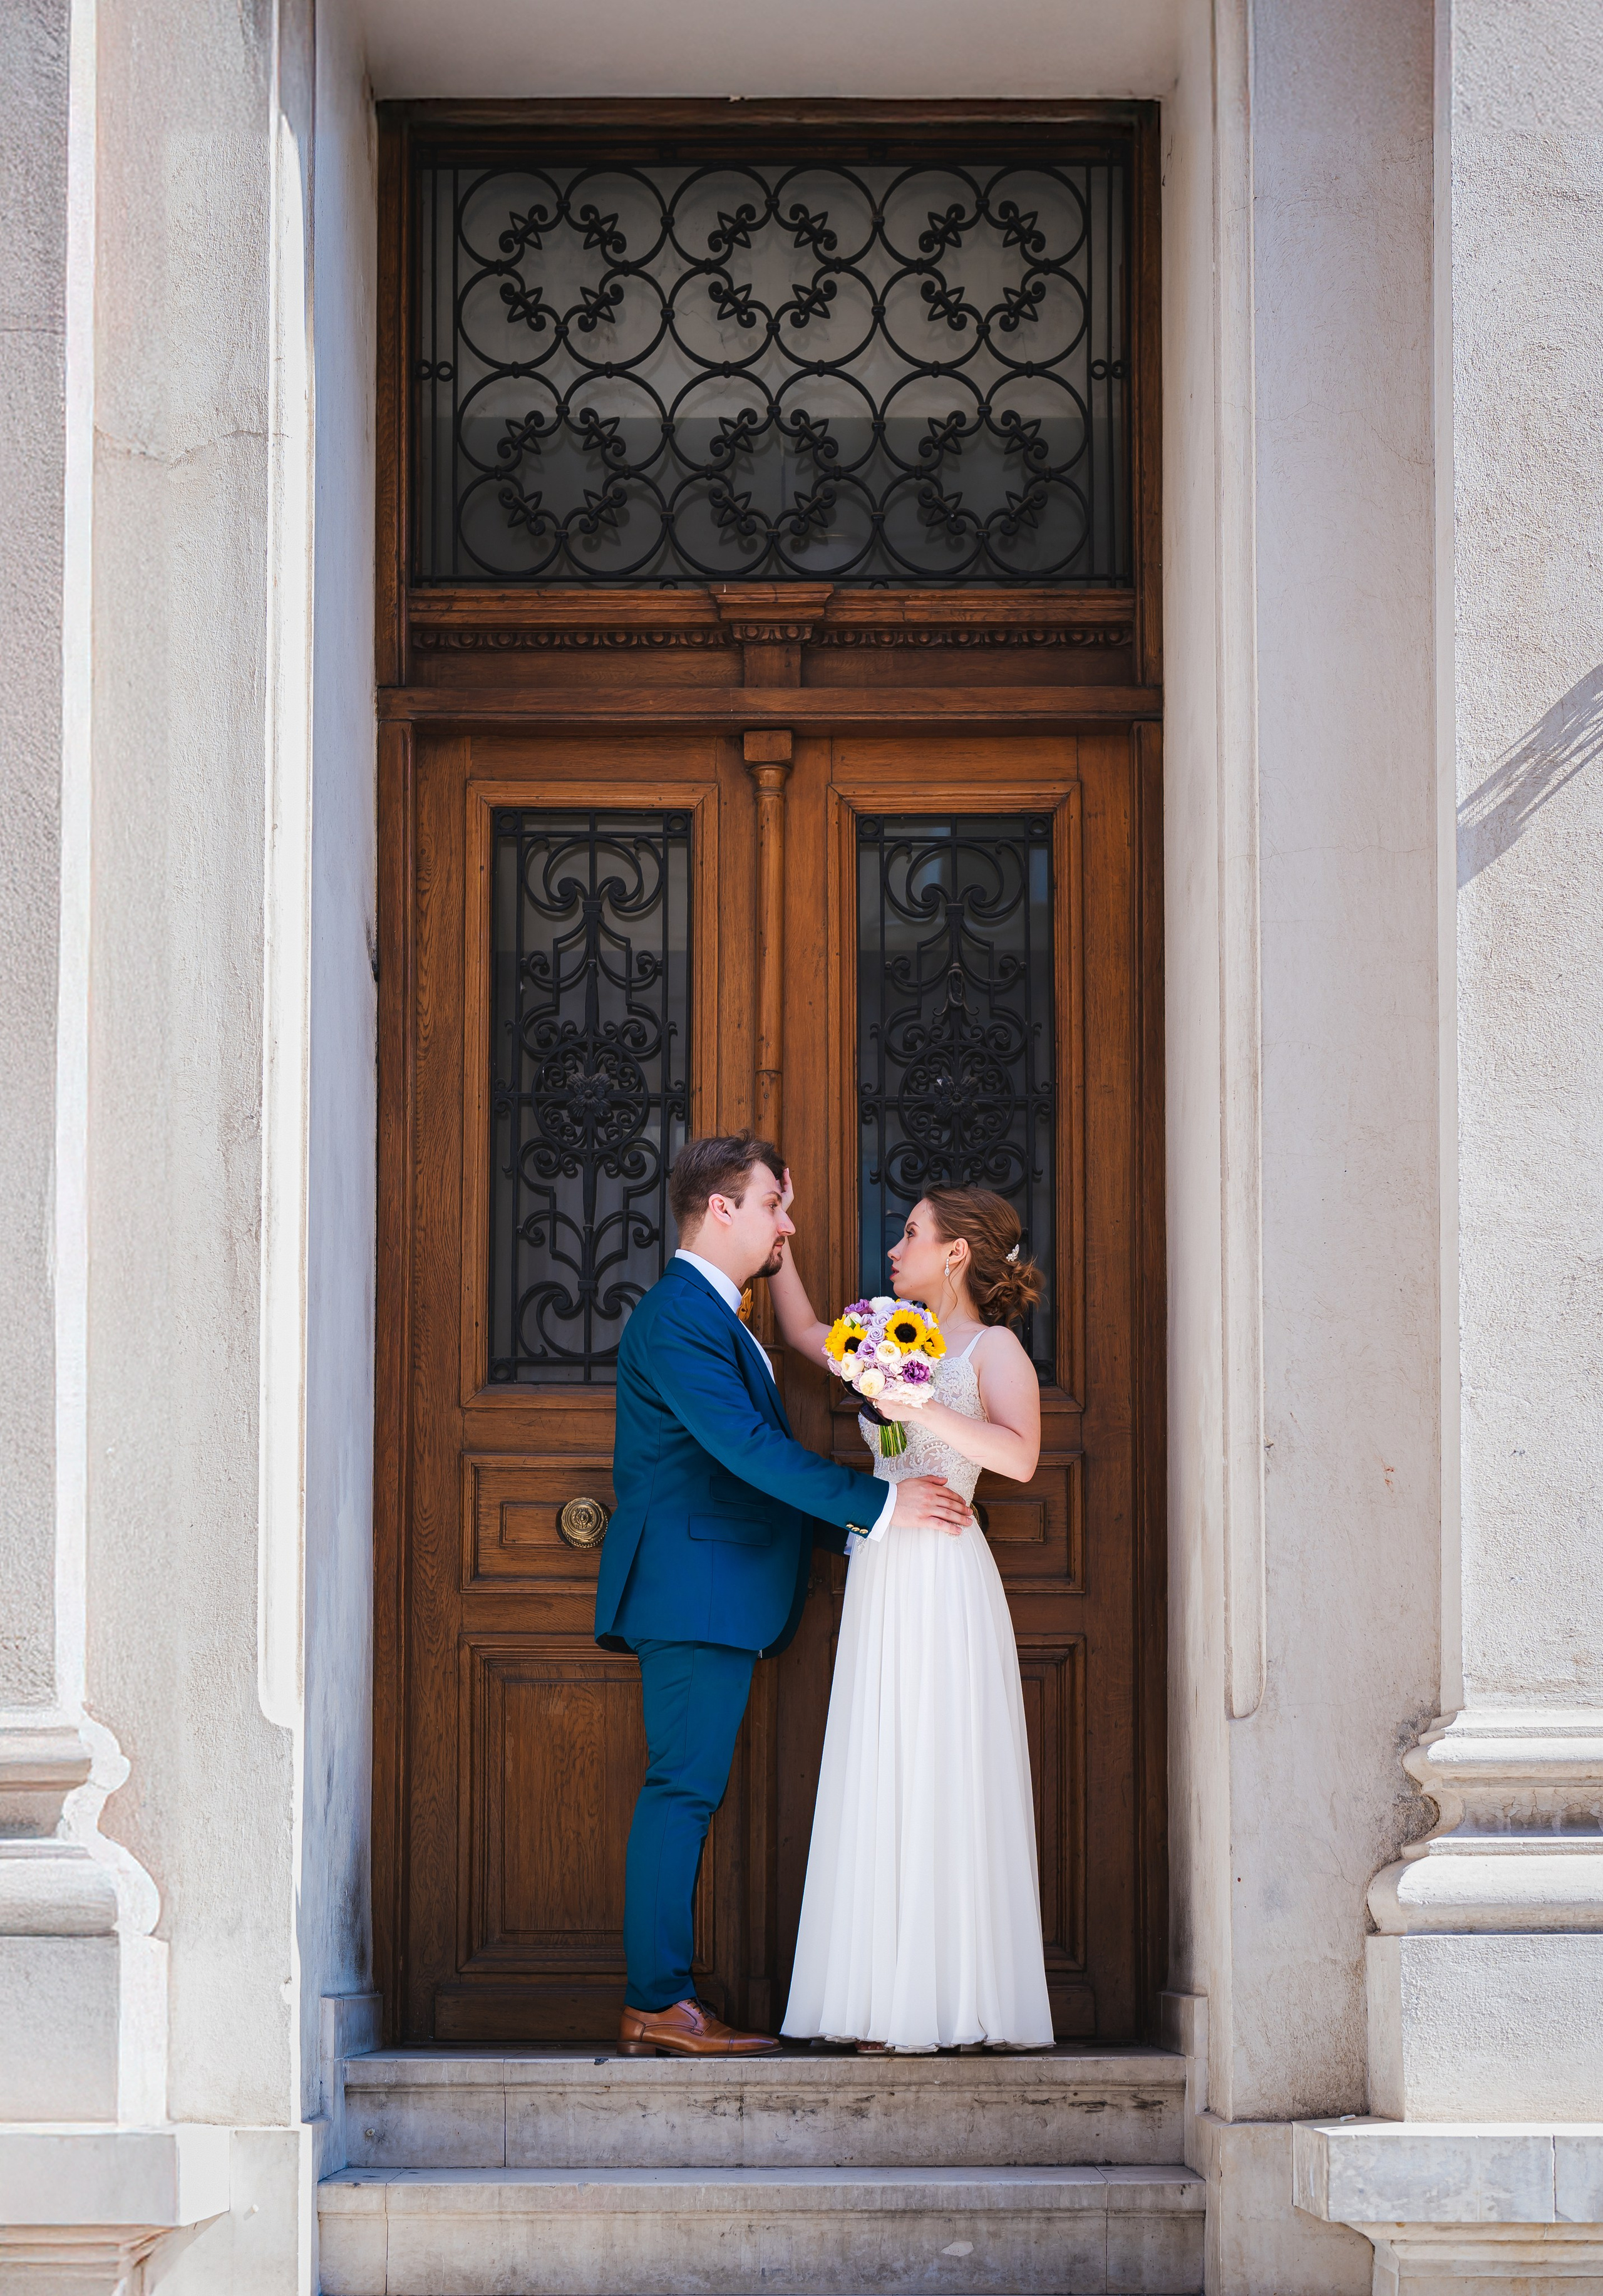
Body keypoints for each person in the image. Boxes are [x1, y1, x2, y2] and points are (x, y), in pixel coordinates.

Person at [596, 1133, 972, 2058]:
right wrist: (879, 1505)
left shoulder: (720, 1316)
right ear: (720, 1208)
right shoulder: (680, 1316)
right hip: (691, 1592)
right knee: (681, 1788)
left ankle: (663, 1998)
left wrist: (851, 1535)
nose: (788, 1225)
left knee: (690, 1787)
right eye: (774, 1206)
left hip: (718, 1590)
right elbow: (744, 1451)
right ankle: (658, 2001)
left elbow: (744, 1471)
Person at [773, 1184, 1056, 2052]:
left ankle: (955, 2000)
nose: (894, 1249)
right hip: (881, 1569)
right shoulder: (878, 1335)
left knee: (943, 1763)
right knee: (882, 1763)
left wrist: (919, 1408)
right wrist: (778, 1238)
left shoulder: (990, 1346)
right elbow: (801, 1334)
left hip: (947, 1575)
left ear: (956, 1252)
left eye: (910, 1234)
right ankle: (876, 2001)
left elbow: (1019, 1456)